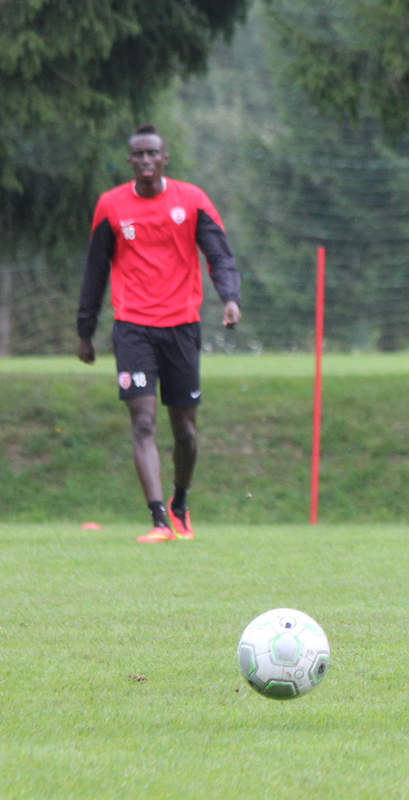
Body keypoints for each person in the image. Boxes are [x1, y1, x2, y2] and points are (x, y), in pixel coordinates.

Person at [76, 123, 242, 544]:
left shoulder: (191, 200)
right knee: (143, 421)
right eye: (139, 155)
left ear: (165, 158)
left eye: (154, 154)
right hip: (133, 328)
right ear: (130, 160)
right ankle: (158, 521)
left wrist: (230, 298)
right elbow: (95, 271)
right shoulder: (111, 206)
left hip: (182, 326)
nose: (147, 161)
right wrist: (85, 330)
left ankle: (180, 504)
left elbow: (218, 254)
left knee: (184, 429)